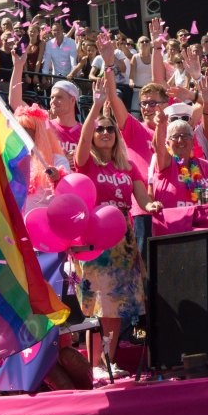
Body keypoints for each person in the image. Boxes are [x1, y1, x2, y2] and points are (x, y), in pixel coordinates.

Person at [75, 69, 164, 378]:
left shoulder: (126, 168)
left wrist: (151, 204)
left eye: (110, 130)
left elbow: (142, 196)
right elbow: (83, 140)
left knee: (115, 307)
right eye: (101, 130)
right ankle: (94, 364)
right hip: (96, 240)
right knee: (98, 305)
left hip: (123, 241)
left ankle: (107, 361)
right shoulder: (87, 163)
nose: (105, 134)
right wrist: (96, 108)